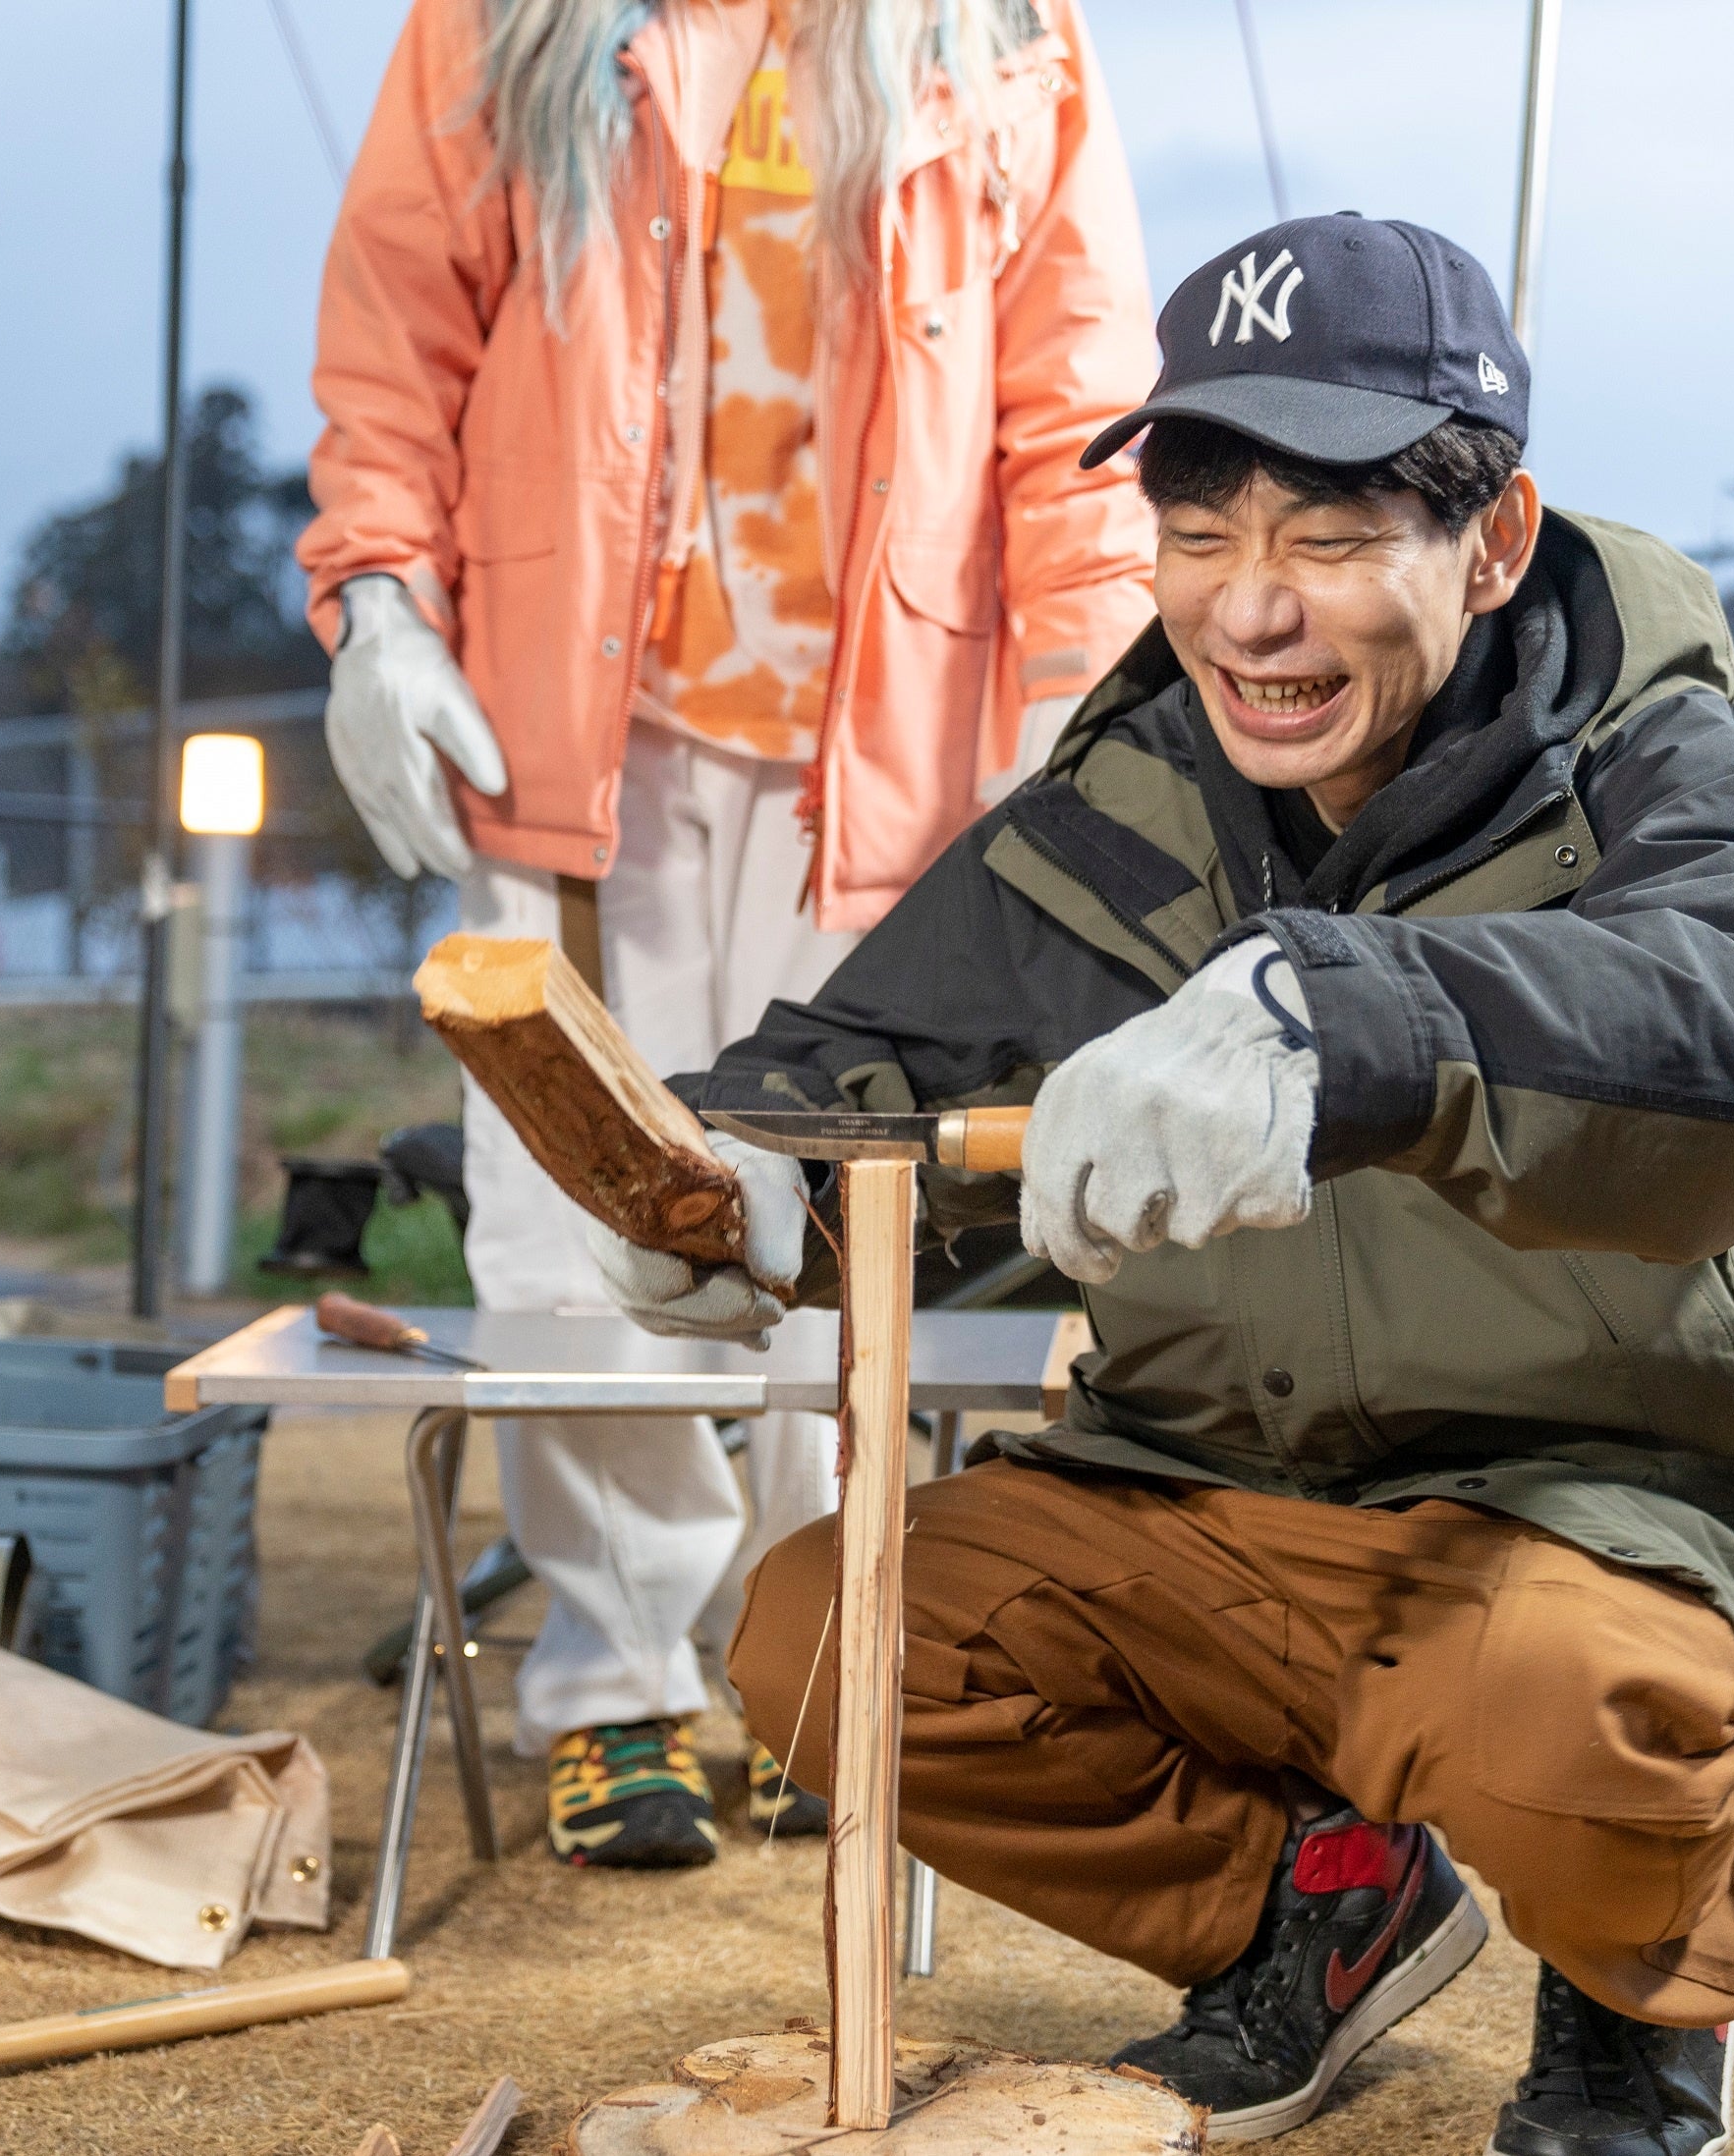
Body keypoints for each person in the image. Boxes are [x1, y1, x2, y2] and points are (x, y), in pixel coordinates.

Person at [583, 212, 1734, 2154]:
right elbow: (866, 1073)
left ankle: (1634, 2001)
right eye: (1200, 536)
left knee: (1573, 1713)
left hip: (1581, 1508)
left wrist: (1350, 1016)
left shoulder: (1638, 759)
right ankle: (1320, 1917)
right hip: (1189, 1486)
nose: (1248, 615)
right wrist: (744, 1192)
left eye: (1333, 540)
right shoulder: (1120, 807)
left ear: (1493, 539)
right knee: (818, 1643)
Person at [297, 0, 1156, 1868]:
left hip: (885, 768)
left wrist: (1081, 704)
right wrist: (377, 601)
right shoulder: (504, 21)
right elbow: (395, 328)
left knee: (829, 1223)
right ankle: (616, 1690)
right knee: (563, 1225)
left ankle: (809, 1661)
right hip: (570, 741)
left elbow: (1076, 400)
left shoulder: (1009, 37)